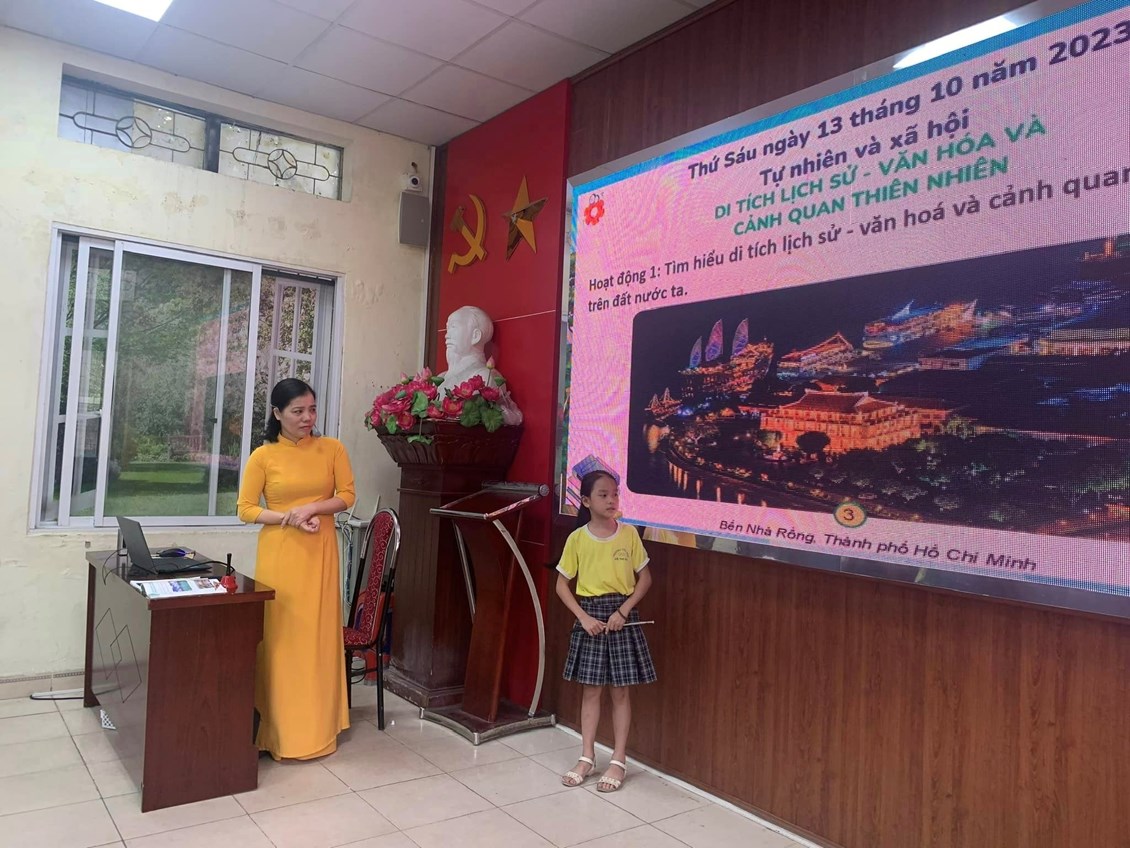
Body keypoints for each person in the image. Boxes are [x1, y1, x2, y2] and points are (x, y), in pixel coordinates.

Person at [237, 378, 356, 761]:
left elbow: (347, 495)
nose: (308, 418)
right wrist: (288, 517)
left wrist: (312, 508)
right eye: (298, 411)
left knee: (316, 638)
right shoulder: (263, 456)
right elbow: (245, 509)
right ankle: (279, 733)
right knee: (282, 640)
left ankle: (318, 729)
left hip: (320, 553)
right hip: (281, 555)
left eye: (312, 409)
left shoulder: (332, 449)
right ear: (277, 413)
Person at [556, 470, 656, 792]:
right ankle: (587, 757)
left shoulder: (629, 534)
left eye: (615, 494)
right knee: (591, 690)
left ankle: (618, 760)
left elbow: (645, 579)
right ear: (586, 501)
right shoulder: (577, 539)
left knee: (621, 692)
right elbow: (561, 585)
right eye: (603, 495)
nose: (611, 500)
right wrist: (583, 617)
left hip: (621, 617)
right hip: (591, 618)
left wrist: (623, 611)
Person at [438, 305, 523, 425]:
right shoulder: (440, 378)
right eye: (447, 328)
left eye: (453, 327)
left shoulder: (486, 376)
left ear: (475, 336)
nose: (446, 335)